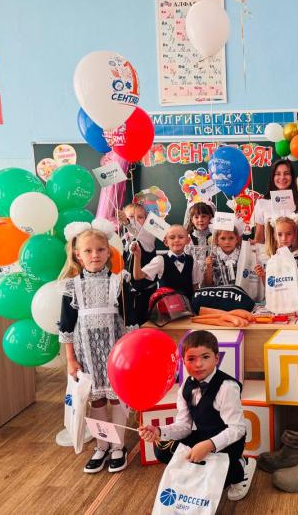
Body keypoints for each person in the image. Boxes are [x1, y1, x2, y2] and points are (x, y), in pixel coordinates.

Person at [57, 220, 137, 474]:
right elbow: (66, 327)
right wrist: (71, 359)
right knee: (97, 400)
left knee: (115, 397)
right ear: (77, 255)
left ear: (108, 252)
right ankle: (102, 445)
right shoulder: (72, 286)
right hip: (87, 354)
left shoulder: (119, 281)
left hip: (116, 352)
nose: (95, 255)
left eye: (100, 250)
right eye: (88, 251)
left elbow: (130, 321)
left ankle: (118, 446)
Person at [138, 330, 256, 501]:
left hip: (228, 444)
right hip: (203, 436)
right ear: (183, 361)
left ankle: (241, 468)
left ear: (217, 358)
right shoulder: (185, 387)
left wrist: (208, 445)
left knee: (218, 480)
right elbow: (184, 426)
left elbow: (237, 429)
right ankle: (200, 470)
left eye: (205, 357)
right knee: (162, 447)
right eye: (191, 359)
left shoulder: (227, 387)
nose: (198, 364)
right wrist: (159, 431)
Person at [252, 159, 298, 248]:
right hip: (270, 256)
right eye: (278, 174)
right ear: (272, 177)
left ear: (292, 177)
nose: (282, 177)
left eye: (286, 173)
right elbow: (259, 238)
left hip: (297, 255)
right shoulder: (261, 204)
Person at [256, 214, 298, 303]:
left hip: (294, 300)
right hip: (277, 300)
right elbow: (270, 285)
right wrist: (263, 275)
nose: (284, 238)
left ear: (294, 235)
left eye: (288, 234)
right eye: (279, 234)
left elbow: (289, 280)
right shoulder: (271, 258)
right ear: (274, 235)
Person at [131, 224, 196, 299]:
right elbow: (138, 276)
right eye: (172, 237)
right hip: (165, 304)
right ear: (166, 242)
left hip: (187, 305)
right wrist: (137, 256)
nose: (176, 240)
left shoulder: (192, 260)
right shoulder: (160, 260)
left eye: (181, 237)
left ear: (188, 240)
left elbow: (195, 286)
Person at [118, 202, 156, 324]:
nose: (135, 220)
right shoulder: (121, 240)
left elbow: (136, 231)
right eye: (131, 217)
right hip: (126, 294)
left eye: (140, 217)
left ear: (146, 220)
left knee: (145, 325)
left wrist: (127, 222)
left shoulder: (148, 236)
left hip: (145, 294)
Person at [203, 220, 245, 287]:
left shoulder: (243, 255)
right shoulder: (213, 257)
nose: (227, 242)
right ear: (217, 240)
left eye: (231, 238)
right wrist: (209, 267)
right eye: (223, 238)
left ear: (237, 239)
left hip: (239, 292)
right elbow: (208, 283)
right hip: (219, 292)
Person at [184, 201, 215, 288]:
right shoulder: (188, 239)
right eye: (196, 217)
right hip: (193, 280)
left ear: (210, 218)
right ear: (191, 219)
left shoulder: (215, 237)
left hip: (212, 279)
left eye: (204, 216)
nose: (200, 220)